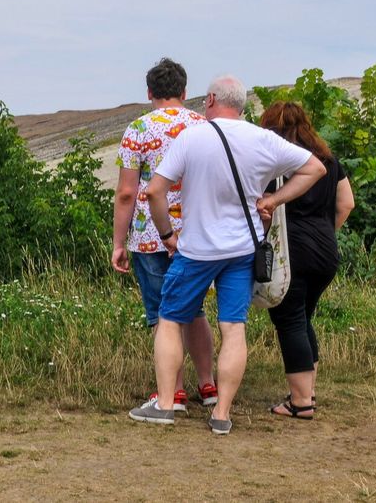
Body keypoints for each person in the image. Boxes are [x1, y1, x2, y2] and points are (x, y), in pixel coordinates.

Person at [128, 75, 326, 435]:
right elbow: (315, 168)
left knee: (170, 319)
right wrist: (272, 200)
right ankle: (221, 413)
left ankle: (166, 403)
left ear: (212, 99)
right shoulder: (262, 139)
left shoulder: (192, 137)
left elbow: (155, 191)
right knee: (233, 328)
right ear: (243, 104)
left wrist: (168, 235)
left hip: (197, 249)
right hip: (241, 250)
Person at [111, 58, 216, 412]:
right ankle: (209, 384)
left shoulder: (138, 129)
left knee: (161, 314)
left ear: (150, 92)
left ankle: (173, 391)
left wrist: (118, 243)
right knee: (195, 310)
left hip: (149, 234)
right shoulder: (204, 126)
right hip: (197, 234)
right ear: (185, 91)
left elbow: (127, 192)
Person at [259, 101, 355, 419]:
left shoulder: (277, 162)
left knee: (290, 321)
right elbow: (347, 204)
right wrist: (326, 233)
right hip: (326, 249)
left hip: (291, 250)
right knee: (303, 319)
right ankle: (306, 391)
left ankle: (301, 403)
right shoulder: (328, 159)